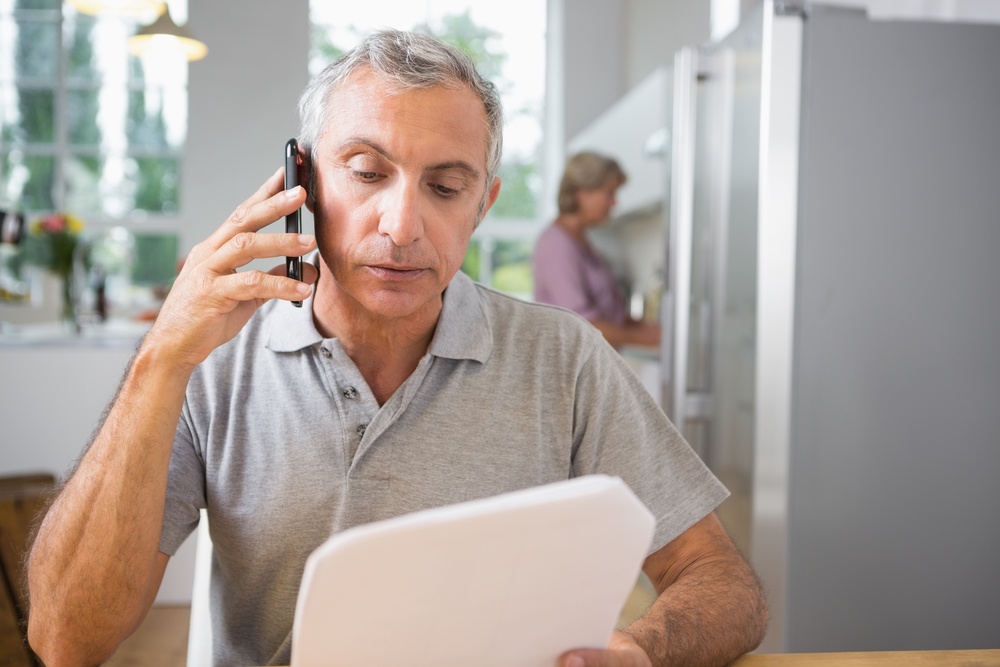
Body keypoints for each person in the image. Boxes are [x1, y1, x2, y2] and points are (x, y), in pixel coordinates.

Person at [25, 30, 766, 667]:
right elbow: (64, 639)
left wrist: (639, 647)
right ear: (304, 181)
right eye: (368, 171)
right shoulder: (215, 361)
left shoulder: (563, 359)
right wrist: (161, 360)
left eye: (445, 186)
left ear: (483, 205)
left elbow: (723, 581)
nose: (402, 223)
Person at [534, 152, 661, 349]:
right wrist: (645, 338)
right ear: (582, 193)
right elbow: (581, 322)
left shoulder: (581, 241)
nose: (615, 203)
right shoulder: (556, 244)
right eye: (609, 194)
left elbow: (607, 313)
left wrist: (644, 327)